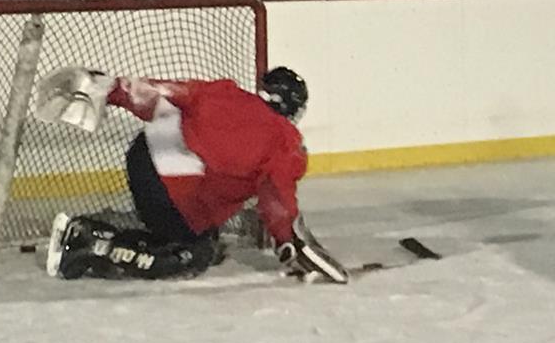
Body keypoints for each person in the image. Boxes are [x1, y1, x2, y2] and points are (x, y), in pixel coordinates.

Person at [31, 63, 348, 284]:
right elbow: (276, 198)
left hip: (142, 154)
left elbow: (164, 95)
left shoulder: (227, 92)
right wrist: (290, 244)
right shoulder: (285, 139)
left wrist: (112, 89)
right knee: (192, 255)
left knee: (192, 233)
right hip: (172, 187)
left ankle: (105, 229)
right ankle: (87, 245)